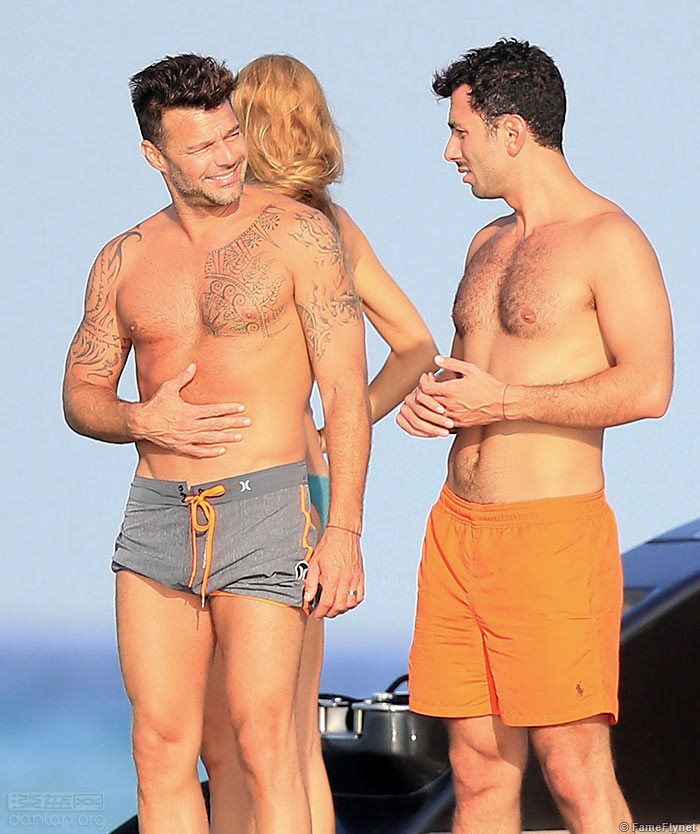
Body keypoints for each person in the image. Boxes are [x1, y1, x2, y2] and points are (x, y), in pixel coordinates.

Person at [62, 53, 371, 834]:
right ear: (154, 155)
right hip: (158, 515)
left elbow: (345, 393)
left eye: (231, 135)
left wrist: (343, 532)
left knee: (265, 741)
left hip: (267, 506)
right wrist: (140, 420)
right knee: (160, 745)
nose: (228, 156)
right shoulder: (125, 258)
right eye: (201, 147)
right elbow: (81, 396)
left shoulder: (301, 234)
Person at [397, 39, 673, 834]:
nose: (450, 151)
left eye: (461, 132)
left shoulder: (609, 239)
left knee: (574, 769)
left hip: (551, 536)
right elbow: (479, 374)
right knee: (476, 772)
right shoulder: (485, 243)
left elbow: (649, 387)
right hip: (457, 530)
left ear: (512, 131)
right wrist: (435, 399)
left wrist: (505, 399)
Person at [198, 53, 438, 834]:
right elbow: (416, 347)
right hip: (302, 481)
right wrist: (338, 431)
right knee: (290, 738)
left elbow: (415, 350)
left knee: (241, 741)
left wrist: (337, 428)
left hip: (250, 490)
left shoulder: (242, 228)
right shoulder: (331, 226)